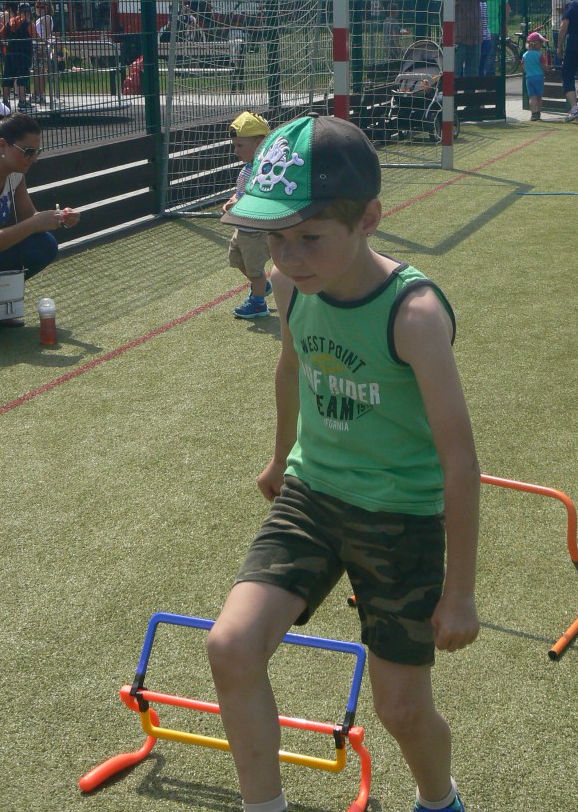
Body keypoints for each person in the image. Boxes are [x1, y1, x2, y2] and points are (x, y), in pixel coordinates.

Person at [211, 113, 481, 812]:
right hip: (313, 493)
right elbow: (291, 366)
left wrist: (459, 592)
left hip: (399, 515)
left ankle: (439, 800)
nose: (290, 256)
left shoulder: (413, 314)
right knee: (231, 646)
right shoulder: (288, 285)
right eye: (277, 238)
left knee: (402, 709)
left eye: (310, 238)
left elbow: (459, 458)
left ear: (368, 219)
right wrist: (280, 458)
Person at [0, 112, 80, 321]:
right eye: (28, 152)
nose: (34, 159)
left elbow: (28, 217)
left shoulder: (15, 172)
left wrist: (60, 217)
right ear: (2, 145)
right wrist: (35, 223)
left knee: (44, 245)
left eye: (37, 152)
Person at [221, 111, 273, 319]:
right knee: (236, 259)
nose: (235, 151)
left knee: (254, 270)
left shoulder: (265, 171)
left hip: (256, 231)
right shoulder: (248, 168)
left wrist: (239, 203)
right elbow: (241, 192)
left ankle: (258, 303)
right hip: (242, 226)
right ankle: (262, 285)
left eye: (240, 146)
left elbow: (261, 198)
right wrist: (233, 199)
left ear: (259, 143)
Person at [454, 0, 494, 77]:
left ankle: (470, 89)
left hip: (475, 39)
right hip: (459, 40)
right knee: (455, 73)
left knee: (472, 74)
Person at [0, 0, 38, 111]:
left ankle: (5, 101)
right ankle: (22, 102)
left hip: (10, 54)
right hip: (24, 55)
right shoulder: (28, 24)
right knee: (22, 78)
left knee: (8, 77)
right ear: (28, 12)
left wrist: (5, 43)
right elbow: (35, 36)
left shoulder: (10, 22)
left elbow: (0, 35)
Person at [477, 0, 509, 74]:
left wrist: (505, 25)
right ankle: (480, 81)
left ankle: (489, 82)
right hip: (477, 30)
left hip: (493, 29)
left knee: (490, 59)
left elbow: (506, 6)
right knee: (478, 58)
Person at [32, 0, 54, 105]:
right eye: (37, 6)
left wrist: (45, 43)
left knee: (39, 72)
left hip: (40, 46)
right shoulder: (40, 19)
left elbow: (47, 34)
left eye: (42, 6)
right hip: (38, 46)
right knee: (39, 71)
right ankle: (39, 94)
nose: (38, 9)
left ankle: (39, 94)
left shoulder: (46, 18)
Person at [522, 31, 546, 121]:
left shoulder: (524, 55)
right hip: (539, 77)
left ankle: (533, 114)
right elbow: (543, 66)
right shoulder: (540, 54)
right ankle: (538, 112)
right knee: (539, 97)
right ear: (536, 44)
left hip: (529, 78)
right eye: (541, 43)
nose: (541, 45)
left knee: (532, 97)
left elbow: (524, 68)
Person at [550, 0, 571, 67]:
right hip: (558, 25)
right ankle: (557, 68)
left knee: (567, 49)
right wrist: (570, 9)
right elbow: (559, 9)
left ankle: (565, 67)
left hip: (568, 24)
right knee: (558, 49)